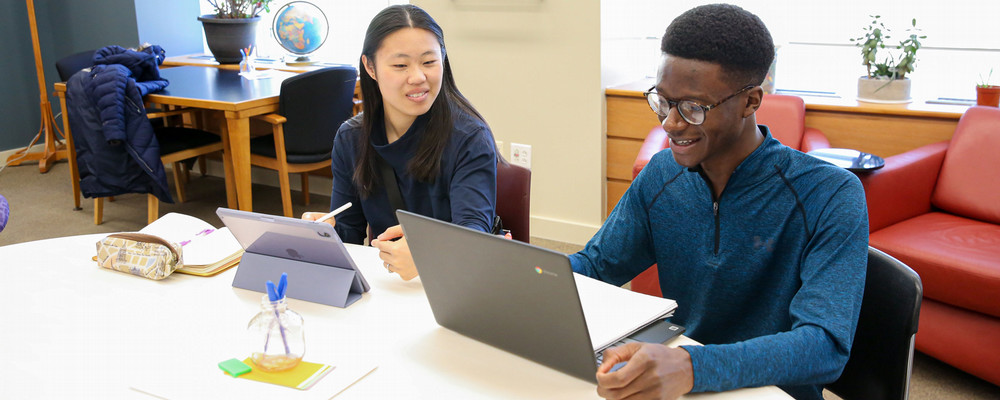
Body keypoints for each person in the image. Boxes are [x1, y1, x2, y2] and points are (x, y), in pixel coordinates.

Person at [570, 4, 868, 400]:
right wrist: (524, 272)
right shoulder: (662, 174)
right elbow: (596, 266)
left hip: (767, 390)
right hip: (677, 378)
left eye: (693, 108)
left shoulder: (830, 195)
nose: (670, 123)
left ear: (751, 101)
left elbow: (825, 345)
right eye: (663, 101)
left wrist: (693, 367)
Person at [303, 5, 497, 281]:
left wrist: (427, 255)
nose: (418, 77)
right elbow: (349, 232)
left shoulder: (469, 138)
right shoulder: (351, 138)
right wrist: (324, 234)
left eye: (429, 62)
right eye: (400, 65)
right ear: (370, 67)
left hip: (455, 283)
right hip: (388, 284)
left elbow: (474, 235)